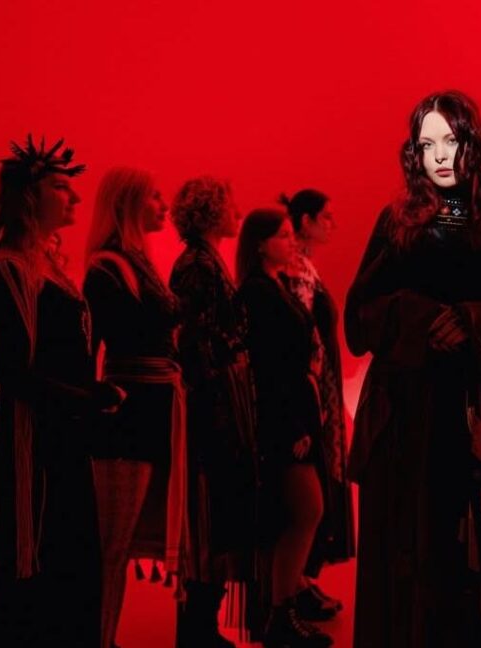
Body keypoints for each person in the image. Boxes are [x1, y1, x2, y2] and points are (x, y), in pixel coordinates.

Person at [345, 90, 481, 648]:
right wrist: (418, 318)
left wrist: (475, 321)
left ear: (473, 146)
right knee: (414, 560)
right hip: (408, 424)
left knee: (479, 566)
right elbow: (358, 320)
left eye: (451, 140)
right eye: (426, 143)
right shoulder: (396, 226)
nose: (439, 155)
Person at [0, 135, 122, 647]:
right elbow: (15, 374)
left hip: (63, 439)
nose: (74, 197)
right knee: (41, 562)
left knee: (72, 564)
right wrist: (89, 399)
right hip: (33, 448)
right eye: (61, 187)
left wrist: (92, 396)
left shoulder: (49, 269)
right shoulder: (9, 270)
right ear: (29, 196)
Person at [83, 167, 186, 648]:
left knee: (121, 544)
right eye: (154, 196)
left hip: (154, 408)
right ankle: (100, 638)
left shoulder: (138, 263)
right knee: (113, 545)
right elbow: (90, 348)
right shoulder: (107, 268)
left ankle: (106, 637)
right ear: (127, 203)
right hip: (128, 414)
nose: (163, 205)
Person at [236, 208, 333, 648]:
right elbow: (271, 367)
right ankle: (280, 611)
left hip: (294, 410)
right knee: (306, 509)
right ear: (261, 244)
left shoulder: (274, 285)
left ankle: (283, 607)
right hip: (284, 416)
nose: (292, 242)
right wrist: (297, 423)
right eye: (283, 236)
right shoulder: (259, 292)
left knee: (302, 512)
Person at [169, 176, 257, 648]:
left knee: (221, 515)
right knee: (209, 515)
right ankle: (196, 628)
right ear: (209, 212)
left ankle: (202, 624)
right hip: (212, 404)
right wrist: (218, 403)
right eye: (227, 204)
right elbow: (193, 342)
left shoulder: (205, 262)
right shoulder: (197, 266)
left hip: (220, 397)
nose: (235, 211)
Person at [277, 189, 354, 618]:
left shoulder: (305, 267)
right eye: (326, 217)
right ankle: (296, 584)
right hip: (311, 387)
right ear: (305, 221)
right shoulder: (296, 270)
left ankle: (303, 579)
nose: (332, 224)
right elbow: (304, 338)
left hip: (319, 386)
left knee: (320, 483)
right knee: (310, 490)